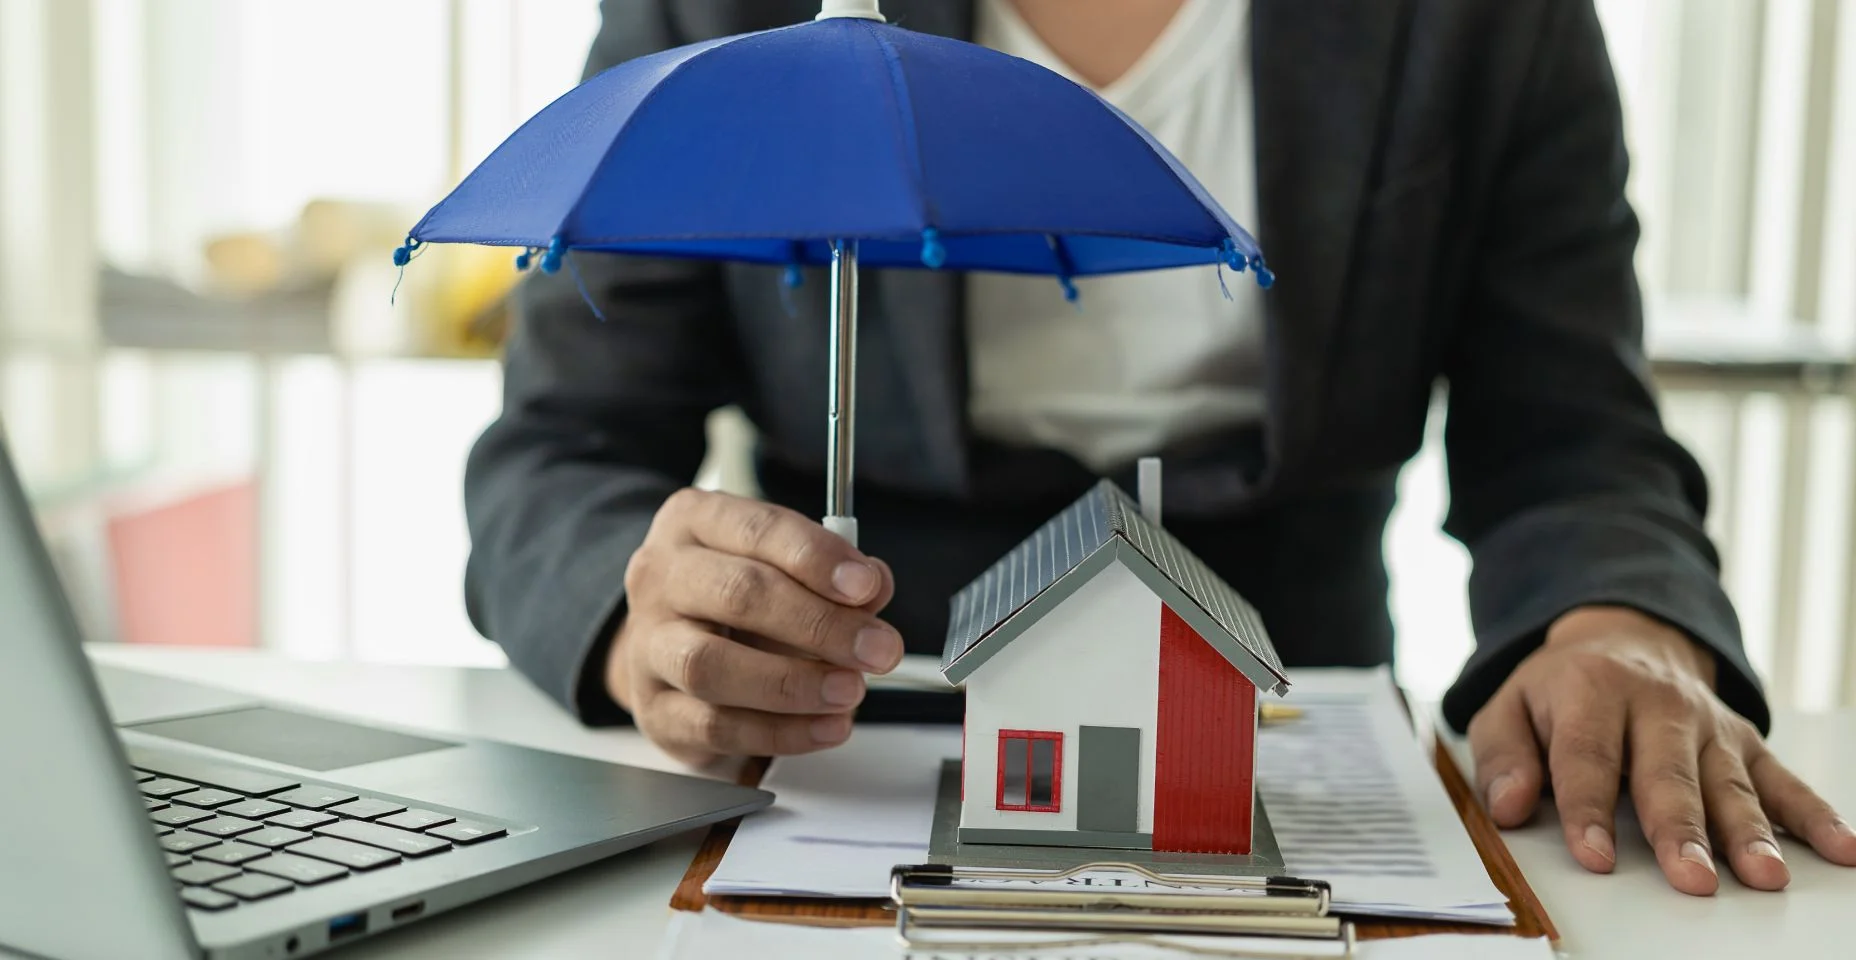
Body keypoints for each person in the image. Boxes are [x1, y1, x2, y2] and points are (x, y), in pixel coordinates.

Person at [461, 0, 1856, 897]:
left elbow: (1573, 434)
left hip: (1289, 682)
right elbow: (560, 452)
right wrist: (641, 620)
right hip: (837, 716)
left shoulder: (1486, 21)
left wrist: (1616, 623)